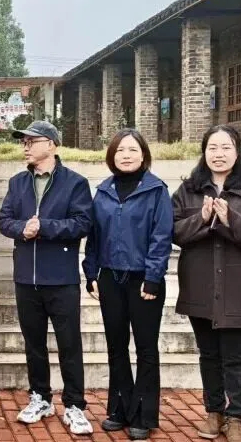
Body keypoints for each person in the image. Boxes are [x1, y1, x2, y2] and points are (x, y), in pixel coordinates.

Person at [171, 126, 241, 442]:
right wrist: (202, 218)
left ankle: (236, 419)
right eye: (213, 148)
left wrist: (232, 219)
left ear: (237, 150)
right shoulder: (188, 190)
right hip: (200, 284)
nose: (219, 154)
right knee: (208, 355)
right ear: (204, 151)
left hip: (239, 287)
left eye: (226, 147)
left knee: (236, 358)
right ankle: (214, 412)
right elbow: (172, 232)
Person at [0, 120, 94, 435]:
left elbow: (82, 223)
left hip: (61, 278)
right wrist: (21, 229)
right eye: (23, 141)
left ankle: (75, 405)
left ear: (51, 144)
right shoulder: (17, 183)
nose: (25, 146)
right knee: (33, 342)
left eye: (32, 141)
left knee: (69, 343)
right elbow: (4, 219)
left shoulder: (75, 183)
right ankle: (40, 397)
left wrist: (45, 227)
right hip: (27, 277)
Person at [82, 128, 173, 441]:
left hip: (143, 279)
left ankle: (144, 414)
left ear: (143, 154)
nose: (126, 155)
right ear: (112, 155)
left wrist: (153, 276)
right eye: (120, 150)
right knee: (116, 346)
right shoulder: (103, 191)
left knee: (146, 348)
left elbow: (161, 237)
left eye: (133, 149)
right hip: (110, 277)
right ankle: (119, 408)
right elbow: (93, 237)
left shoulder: (156, 190)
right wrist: (91, 274)